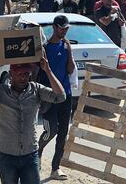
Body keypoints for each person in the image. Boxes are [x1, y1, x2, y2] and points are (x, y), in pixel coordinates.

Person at [0, 54, 66, 184]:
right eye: (19, 74)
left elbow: (60, 97)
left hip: (30, 155)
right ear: (11, 74)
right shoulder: (0, 92)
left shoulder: (36, 90)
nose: (23, 77)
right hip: (7, 155)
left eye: (26, 74)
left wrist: (48, 70)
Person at [37, 15, 75, 181]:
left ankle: (55, 167)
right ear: (54, 27)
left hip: (65, 95)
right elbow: (37, 73)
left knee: (63, 133)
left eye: (66, 28)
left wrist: (70, 51)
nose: (64, 31)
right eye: (61, 28)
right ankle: (37, 153)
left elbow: (70, 69)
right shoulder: (44, 47)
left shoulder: (66, 46)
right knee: (51, 130)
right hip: (49, 97)